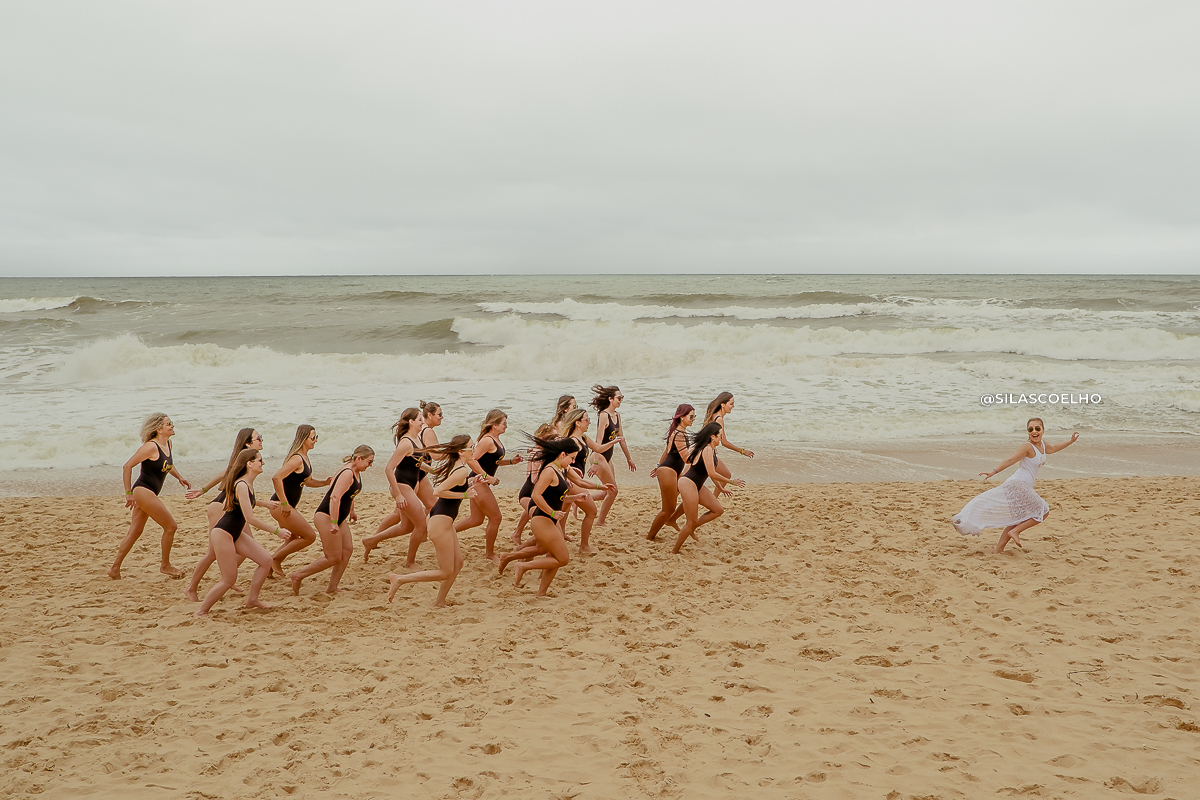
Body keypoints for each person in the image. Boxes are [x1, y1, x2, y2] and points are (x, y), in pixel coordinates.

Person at [952, 419, 1080, 553]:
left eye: (1037, 428)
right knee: (1044, 510)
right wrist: (993, 471)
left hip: (1021, 485)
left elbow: (1053, 448)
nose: (1034, 431)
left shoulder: (1043, 444)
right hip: (1018, 484)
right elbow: (1011, 460)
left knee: (1017, 518)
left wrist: (1070, 441)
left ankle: (999, 549)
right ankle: (1015, 532)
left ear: (1043, 430)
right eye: (1031, 429)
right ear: (1028, 432)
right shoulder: (1027, 447)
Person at [387, 435, 477, 607]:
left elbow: (457, 483)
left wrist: (472, 482)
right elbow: (438, 491)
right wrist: (465, 495)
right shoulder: (462, 469)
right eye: (471, 447)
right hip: (439, 521)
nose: (474, 449)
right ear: (460, 452)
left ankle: (440, 601)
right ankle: (399, 579)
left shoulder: (459, 467)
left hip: (444, 518)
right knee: (445, 571)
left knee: (458, 563)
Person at [194, 449, 282, 616]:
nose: (262, 463)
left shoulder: (247, 483)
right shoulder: (241, 484)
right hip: (223, 534)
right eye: (259, 460)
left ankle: (252, 600)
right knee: (228, 579)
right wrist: (277, 531)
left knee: (265, 560)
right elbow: (250, 518)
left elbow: (246, 504)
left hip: (234, 533)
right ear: (249, 464)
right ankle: (201, 611)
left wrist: (264, 504)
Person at [184, 427, 265, 601]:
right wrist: (203, 490)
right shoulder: (246, 458)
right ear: (248, 443)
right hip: (221, 507)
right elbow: (224, 474)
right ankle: (192, 587)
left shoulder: (250, 460)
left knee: (245, 548)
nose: (261, 441)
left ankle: (228, 578)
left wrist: (265, 504)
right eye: (258, 438)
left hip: (227, 507)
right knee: (213, 553)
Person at [109, 413, 192, 579]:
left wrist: (180, 477)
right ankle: (165, 565)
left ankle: (114, 568)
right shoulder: (150, 447)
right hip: (142, 490)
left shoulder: (168, 443)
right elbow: (127, 466)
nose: (172, 426)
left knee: (135, 531)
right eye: (169, 424)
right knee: (171, 526)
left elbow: (167, 465)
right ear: (159, 429)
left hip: (149, 492)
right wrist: (128, 494)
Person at [510, 434, 589, 596]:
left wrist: (574, 497)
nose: (573, 462)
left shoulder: (559, 470)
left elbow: (556, 496)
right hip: (542, 519)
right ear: (562, 455)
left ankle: (541, 593)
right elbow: (536, 495)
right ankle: (522, 566)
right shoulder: (549, 471)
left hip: (550, 519)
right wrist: (553, 512)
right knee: (562, 558)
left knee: (553, 556)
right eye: (572, 458)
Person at [288, 445, 374, 595]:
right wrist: (334, 522)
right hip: (326, 516)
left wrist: (351, 510)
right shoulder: (347, 472)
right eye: (369, 461)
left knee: (347, 550)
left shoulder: (355, 471)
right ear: (359, 458)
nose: (370, 465)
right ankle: (298, 575)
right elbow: (334, 497)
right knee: (333, 557)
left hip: (338, 517)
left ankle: (332, 587)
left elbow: (349, 494)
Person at [362, 409, 428, 562]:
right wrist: (398, 494)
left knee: (406, 527)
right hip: (402, 486)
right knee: (421, 525)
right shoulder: (406, 443)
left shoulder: (416, 439)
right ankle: (410, 562)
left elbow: (416, 463)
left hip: (410, 485)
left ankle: (371, 540)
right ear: (411, 422)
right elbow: (389, 468)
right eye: (419, 419)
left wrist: (433, 470)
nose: (422, 422)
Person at [456, 411, 523, 564]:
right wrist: (487, 476)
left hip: (481, 481)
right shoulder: (487, 440)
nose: (506, 426)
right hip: (478, 481)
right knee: (496, 518)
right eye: (504, 423)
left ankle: (447, 533)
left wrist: (512, 461)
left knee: (476, 519)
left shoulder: (496, 440)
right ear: (494, 425)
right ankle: (489, 554)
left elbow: (494, 461)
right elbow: (471, 460)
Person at [672, 422, 744, 554]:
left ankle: (691, 528)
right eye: (719, 436)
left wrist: (720, 488)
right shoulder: (707, 449)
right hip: (688, 482)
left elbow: (710, 474)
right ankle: (674, 551)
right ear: (712, 437)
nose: (721, 439)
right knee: (691, 521)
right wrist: (732, 482)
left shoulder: (711, 449)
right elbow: (712, 473)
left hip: (697, 485)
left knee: (718, 510)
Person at [269, 425, 331, 574]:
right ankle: (274, 560)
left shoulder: (305, 458)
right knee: (309, 536)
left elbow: (308, 482)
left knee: (292, 538)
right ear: (304, 439)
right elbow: (276, 477)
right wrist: (284, 503)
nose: (315, 440)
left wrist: (325, 482)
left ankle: (269, 567)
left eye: (316, 437)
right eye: (313, 437)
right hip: (281, 505)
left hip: (286, 505)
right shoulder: (297, 458)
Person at [558, 409, 619, 554]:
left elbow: (598, 448)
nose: (589, 422)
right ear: (577, 422)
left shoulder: (583, 438)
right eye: (586, 419)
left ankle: (559, 541)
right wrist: (565, 479)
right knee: (591, 511)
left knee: (562, 514)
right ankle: (583, 546)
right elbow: (560, 461)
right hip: (571, 481)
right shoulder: (571, 441)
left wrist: (614, 441)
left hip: (575, 480)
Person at [590, 385, 636, 525]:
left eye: (622, 398)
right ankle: (600, 521)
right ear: (610, 399)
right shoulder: (604, 415)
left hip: (607, 458)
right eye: (618, 398)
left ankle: (578, 499)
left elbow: (621, 439)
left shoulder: (617, 416)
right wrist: (595, 463)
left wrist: (629, 458)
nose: (620, 401)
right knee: (613, 490)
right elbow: (598, 442)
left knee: (607, 492)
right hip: (599, 457)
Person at [647, 404, 694, 541]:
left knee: (690, 494)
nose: (693, 419)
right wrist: (701, 452)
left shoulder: (679, 432)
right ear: (682, 417)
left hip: (670, 470)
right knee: (667, 509)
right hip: (669, 471)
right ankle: (649, 537)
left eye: (694, 416)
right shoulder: (679, 434)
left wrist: (658, 466)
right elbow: (686, 458)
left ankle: (672, 520)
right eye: (691, 416)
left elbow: (667, 451)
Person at [509, 423, 556, 545]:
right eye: (553, 438)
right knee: (541, 518)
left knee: (534, 513)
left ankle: (517, 534)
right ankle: (522, 542)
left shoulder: (540, 451)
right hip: (529, 492)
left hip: (531, 491)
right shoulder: (538, 453)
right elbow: (534, 479)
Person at [704, 392, 754, 481]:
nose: (733, 406)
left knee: (718, 476)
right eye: (731, 404)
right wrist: (742, 451)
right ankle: (713, 495)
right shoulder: (718, 419)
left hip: (706, 450)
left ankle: (713, 495)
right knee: (725, 476)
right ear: (723, 404)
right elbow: (724, 442)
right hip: (708, 452)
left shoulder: (714, 415)